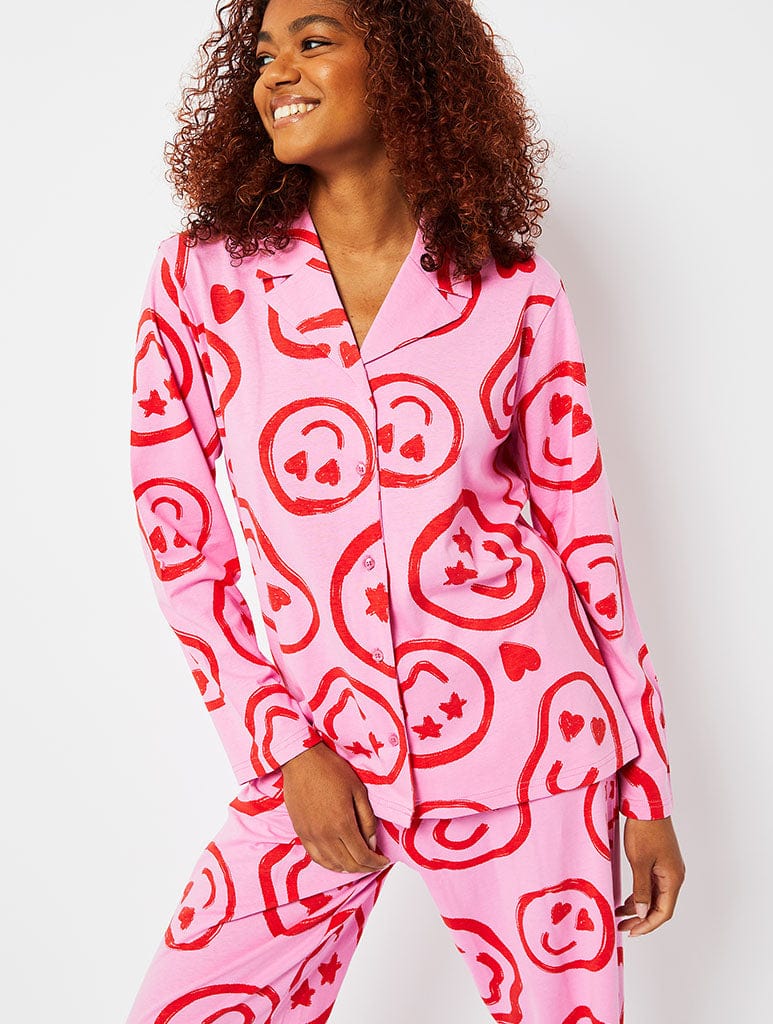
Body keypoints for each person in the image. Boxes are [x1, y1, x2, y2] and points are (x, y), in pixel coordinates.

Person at [125, 0, 686, 1021]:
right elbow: (185, 546)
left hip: (528, 740)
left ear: (405, 67)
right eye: (263, 51)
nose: (275, 71)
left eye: (313, 41)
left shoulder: (514, 291)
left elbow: (585, 541)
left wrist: (643, 785)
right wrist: (281, 747)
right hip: (319, 746)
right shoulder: (200, 281)